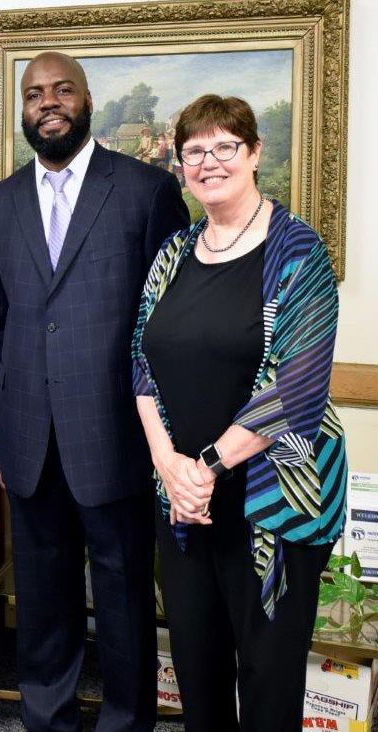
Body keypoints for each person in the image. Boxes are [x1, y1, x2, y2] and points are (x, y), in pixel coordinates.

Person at [0, 51, 189, 732]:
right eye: (34, 93)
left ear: (87, 98)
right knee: (43, 597)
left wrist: (164, 440)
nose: (48, 103)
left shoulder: (146, 191)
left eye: (61, 90)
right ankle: (50, 717)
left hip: (117, 438)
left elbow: (168, 325)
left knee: (125, 596)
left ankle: (128, 722)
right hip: (28, 439)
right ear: (23, 107)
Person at [131, 94, 347, 731]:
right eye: (195, 151)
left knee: (268, 682)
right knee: (197, 676)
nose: (209, 161)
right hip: (184, 504)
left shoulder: (300, 251)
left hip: (273, 502)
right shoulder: (174, 251)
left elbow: (297, 388)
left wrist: (202, 467)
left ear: (254, 154)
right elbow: (139, 361)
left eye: (225, 147)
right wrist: (168, 466)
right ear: (182, 166)